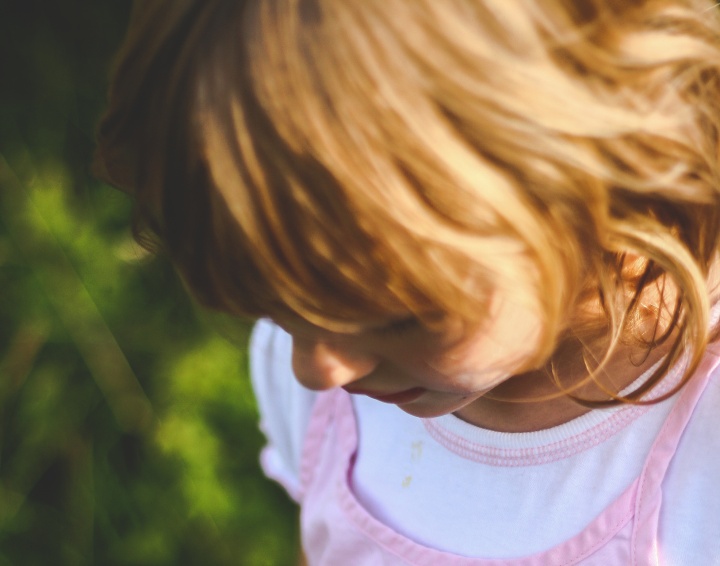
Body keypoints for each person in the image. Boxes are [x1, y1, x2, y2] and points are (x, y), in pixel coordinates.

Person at [95, 0, 720, 563]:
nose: (316, 369)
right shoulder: (329, 402)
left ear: (597, 182)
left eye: (398, 318)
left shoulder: (701, 457)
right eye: (278, 310)